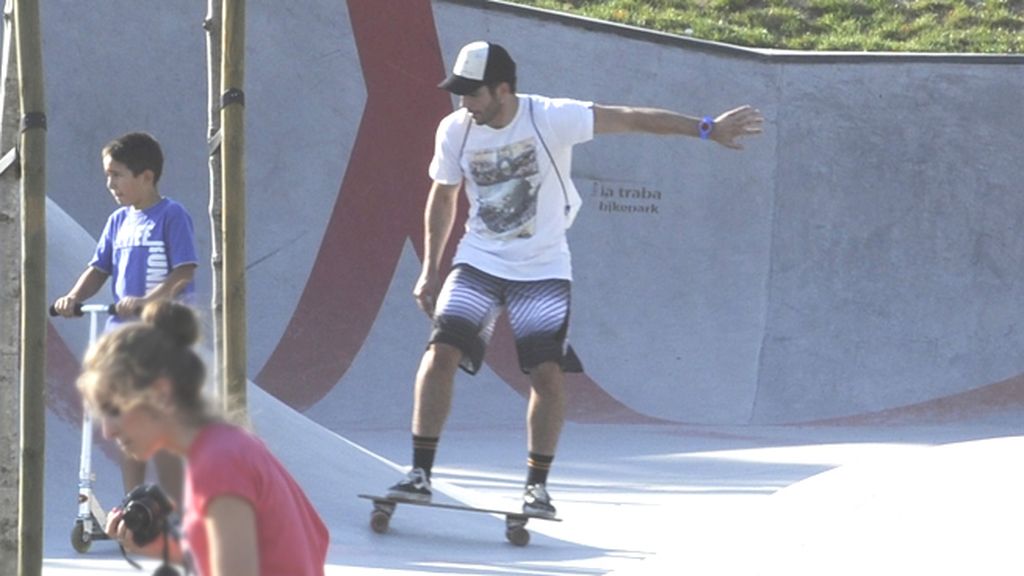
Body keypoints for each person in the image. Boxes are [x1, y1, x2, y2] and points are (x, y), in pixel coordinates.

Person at [387, 41, 764, 517]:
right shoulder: (456, 130)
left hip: (542, 266)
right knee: (441, 350)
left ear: (503, 89)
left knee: (545, 371)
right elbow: (442, 197)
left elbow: (632, 118)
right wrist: (429, 269)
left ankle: (536, 487)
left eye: (473, 94)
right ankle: (419, 473)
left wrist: (707, 129)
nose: (465, 104)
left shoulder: (551, 117)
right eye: (460, 94)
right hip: (479, 260)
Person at [78, 300, 330, 576]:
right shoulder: (230, 446)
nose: (108, 431)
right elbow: (303, 542)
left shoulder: (218, 463)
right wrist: (159, 548)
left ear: (161, 393)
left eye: (114, 410)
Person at [52, 132, 198, 507]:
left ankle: (181, 501)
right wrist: (73, 297)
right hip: (125, 336)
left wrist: (148, 301)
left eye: (117, 175)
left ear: (146, 176)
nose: (110, 184)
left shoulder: (171, 215)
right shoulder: (118, 221)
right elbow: (99, 268)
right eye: (107, 175)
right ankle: (136, 503)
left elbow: (184, 271)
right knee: (124, 426)